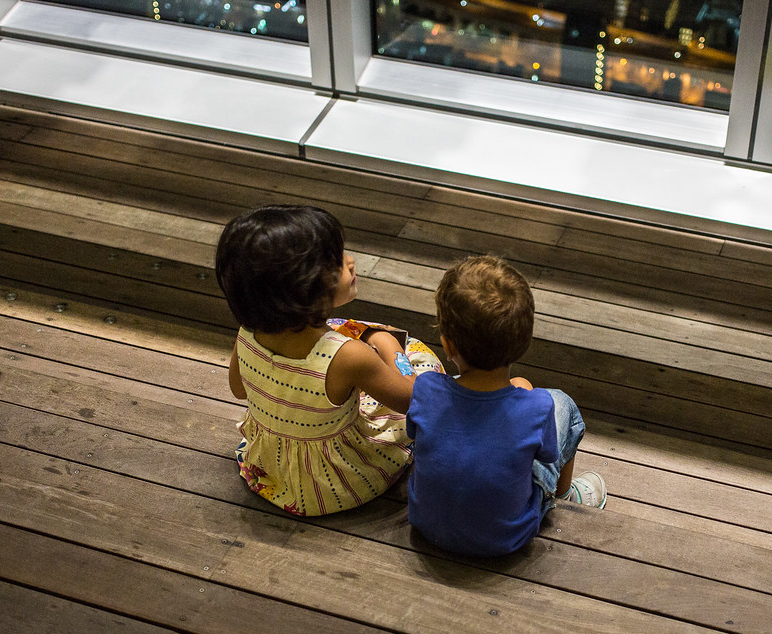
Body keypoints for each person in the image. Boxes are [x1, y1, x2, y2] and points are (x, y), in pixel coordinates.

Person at [215, 205, 442, 516]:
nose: (349, 261)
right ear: (302, 288)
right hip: (335, 483)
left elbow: (240, 391)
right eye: (337, 261)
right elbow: (411, 398)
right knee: (420, 356)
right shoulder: (348, 355)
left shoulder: (248, 331)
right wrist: (385, 342)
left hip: (270, 468)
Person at [406, 255, 606, 558]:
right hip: (505, 538)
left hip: (427, 525)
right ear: (523, 343)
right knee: (561, 402)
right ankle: (564, 495)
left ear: (447, 345)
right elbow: (547, 456)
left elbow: (416, 435)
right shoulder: (537, 408)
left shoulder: (426, 388)